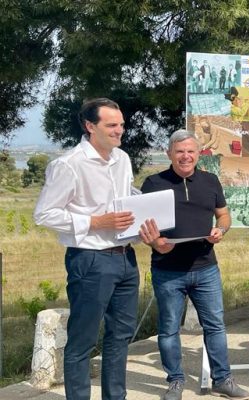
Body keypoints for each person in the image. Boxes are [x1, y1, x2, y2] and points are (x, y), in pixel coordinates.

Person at [33, 98, 139, 400]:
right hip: (90, 261)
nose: (120, 130)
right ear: (90, 126)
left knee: (120, 338)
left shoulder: (123, 159)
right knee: (83, 341)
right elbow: (44, 214)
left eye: (121, 124)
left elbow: (125, 200)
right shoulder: (68, 165)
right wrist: (96, 221)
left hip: (126, 259)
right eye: (112, 125)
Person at [138, 130, 249, 400]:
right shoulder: (153, 183)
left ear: (199, 154)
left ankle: (223, 379)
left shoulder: (211, 181)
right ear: (169, 154)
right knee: (168, 329)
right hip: (167, 270)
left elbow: (224, 216)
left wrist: (221, 230)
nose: (185, 156)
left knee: (215, 326)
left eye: (190, 151)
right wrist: (156, 244)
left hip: (206, 268)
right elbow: (143, 229)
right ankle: (175, 382)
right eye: (179, 151)